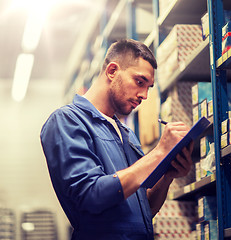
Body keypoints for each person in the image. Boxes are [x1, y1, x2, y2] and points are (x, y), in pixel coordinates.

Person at [40, 39, 194, 240]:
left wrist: (167, 176)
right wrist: (159, 153)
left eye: (149, 87)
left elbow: (144, 210)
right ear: (112, 71)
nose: (145, 95)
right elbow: (92, 195)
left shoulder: (126, 133)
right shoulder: (67, 121)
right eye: (140, 82)